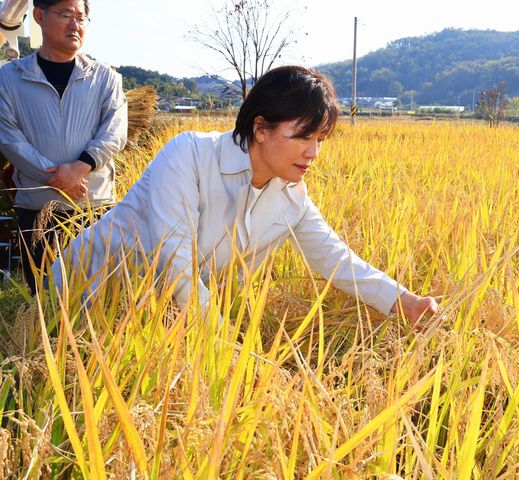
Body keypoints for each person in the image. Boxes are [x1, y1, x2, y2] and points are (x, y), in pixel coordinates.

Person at [53, 65, 437, 323]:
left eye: (320, 139)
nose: (313, 152)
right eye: (302, 136)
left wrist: (405, 302)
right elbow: (177, 269)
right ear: (261, 128)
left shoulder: (291, 198)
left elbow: (336, 260)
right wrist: (230, 353)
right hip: (78, 295)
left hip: (146, 314)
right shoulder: (188, 155)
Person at [0, 0, 128, 294]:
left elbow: (115, 130)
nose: (75, 24)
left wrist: (81, 166)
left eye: (81, 17)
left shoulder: (104, 77)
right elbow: (8, 137)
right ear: (39, 16)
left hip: (93, 208)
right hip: (38, 208)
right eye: (66, 14)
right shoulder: (9, 78)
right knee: (43, 302)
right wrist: (55, 176)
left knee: (94, 301)